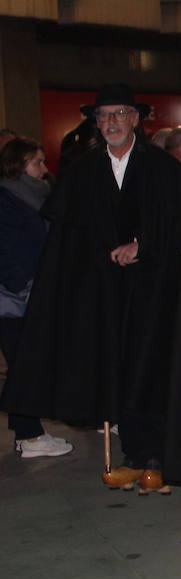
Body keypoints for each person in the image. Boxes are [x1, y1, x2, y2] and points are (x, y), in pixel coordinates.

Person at [0, 83, 181, 493]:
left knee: (150, 368)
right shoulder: (83, 171)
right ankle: (132, 456)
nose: (111, 122)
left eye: (120, 114)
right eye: (104, 116)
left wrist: (142, 246)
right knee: (115, 369)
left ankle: (157, 456)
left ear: (136, 119)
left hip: (152, 289)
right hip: (103, 292)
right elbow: (69, 235)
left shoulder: (161, 168)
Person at [0, 138, 72, 458]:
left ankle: (27, 432)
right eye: (37, 162)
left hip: (31, 291)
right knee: (22, 364)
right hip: (14, 297)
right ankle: (29, 436)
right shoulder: (7, 198)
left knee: (24, 364)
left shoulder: (36, 195)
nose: (44, 168)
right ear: (19, 164)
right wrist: (22, 284)